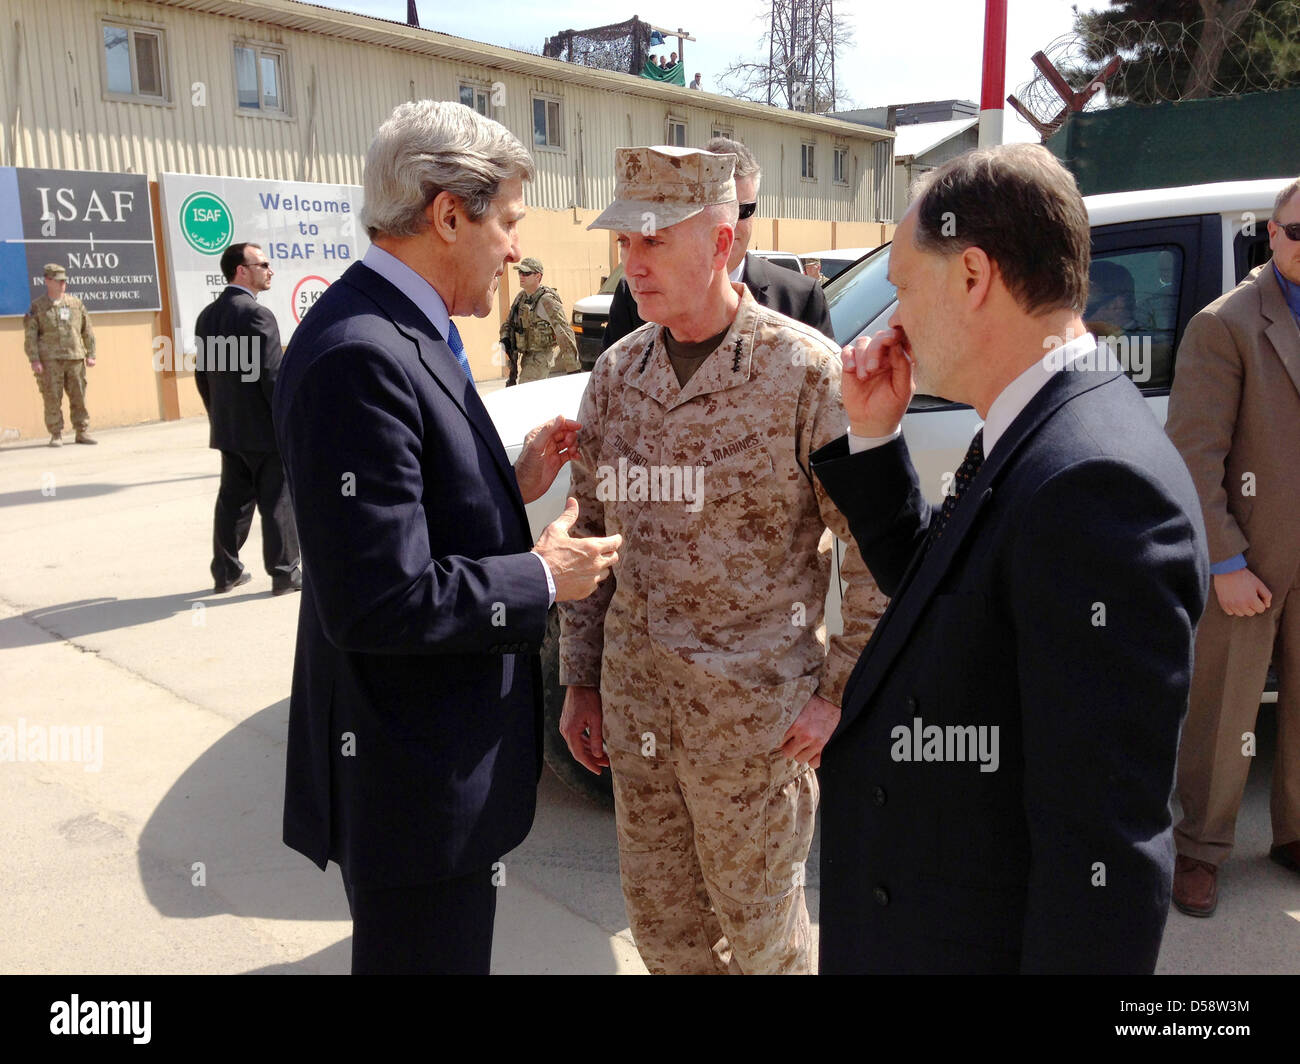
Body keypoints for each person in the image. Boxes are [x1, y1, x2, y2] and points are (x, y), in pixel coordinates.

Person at [809, 144, 1208, 973]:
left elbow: (1105, 853)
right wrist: (878, 438)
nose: (894, 322)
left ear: (973, 276)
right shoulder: (1036, 426)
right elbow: (947, 609)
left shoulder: (1094, 482)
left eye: (904, 288)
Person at [272, 100, 620, 975]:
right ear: (447, 213)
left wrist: (510, 483)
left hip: (428, 775)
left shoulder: (404, 329)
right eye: (505, 222)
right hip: (411, 786)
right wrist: (542, 578)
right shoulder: (364, 353)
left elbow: (402, 510)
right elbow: (380, 598)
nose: (512, 248)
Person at [558, 145, 886, 975]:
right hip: (641, 718)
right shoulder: (615, 374)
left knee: (765, 941)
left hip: (755, 729)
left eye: (654, 241)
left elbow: (871, 549)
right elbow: (589, 529)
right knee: (665, 934)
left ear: (720, 242)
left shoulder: (805, 371)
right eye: (624, 243)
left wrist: (837, 695)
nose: (632, 264)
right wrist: (581, 679)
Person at [1165, 176, 1300, 916]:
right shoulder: (1227, 325)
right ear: (1273, 235)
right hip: (1251, 557)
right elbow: (1193, 455)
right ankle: (1201, 849)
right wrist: (1224, 561)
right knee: (1225, 715)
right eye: (1299, 231)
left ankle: (1293, 834)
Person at [602, 137, 833, 350]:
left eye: (743, 210)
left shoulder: (800, 298)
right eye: (623, 241)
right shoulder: (631, 302)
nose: (731, 222)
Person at [194, 242, 301, 595]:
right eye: (263, 264)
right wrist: (286, 422)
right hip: (263, 431)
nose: (270, 270)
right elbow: (272, 377)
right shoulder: (257, 315)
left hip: (229, 430)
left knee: (233, 501)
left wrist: (219, 417)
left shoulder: (208, 315)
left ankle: (226, 573)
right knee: (277, 501)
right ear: (242, 270)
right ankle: (284, 574)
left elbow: (202, 374)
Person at [24, 263, 97, 446]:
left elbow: (87, 330)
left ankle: (82, 431)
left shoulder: (75, 304)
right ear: (47, 281)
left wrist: (91, 353)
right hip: (50, 361)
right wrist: (34, 359)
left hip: (74, 357)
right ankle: (56, 434)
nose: (63, 284)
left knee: (79, 396)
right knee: (52, 397)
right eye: (58, 281)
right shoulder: (38, 307)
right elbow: (30, 335)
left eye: (64, 280)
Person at [499, 256, 580, 385]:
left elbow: (564, 331)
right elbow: (508, 323)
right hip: (525, 355)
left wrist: (573, 368)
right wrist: (505, 339)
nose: (521, 276)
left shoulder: (547, 300)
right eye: (520, 272)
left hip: (540, 357)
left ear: (538, 276)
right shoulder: (521, 297)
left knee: (527, 392)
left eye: (526, 273)